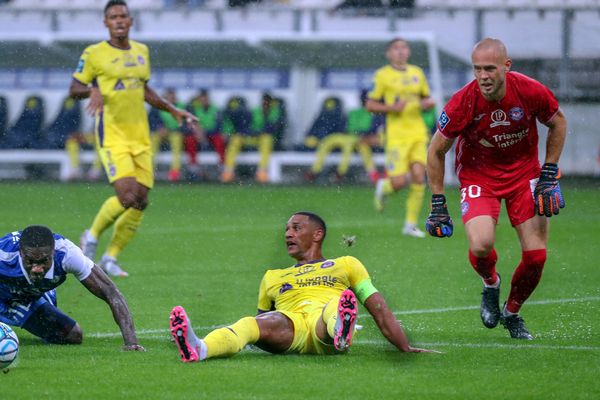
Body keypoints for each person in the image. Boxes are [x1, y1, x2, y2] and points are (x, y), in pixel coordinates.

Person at [425, 38, 567, 340]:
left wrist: (550, 171)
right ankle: (491, 283)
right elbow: (436, 151)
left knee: (537, 256)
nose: (483, 76)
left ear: (507, 66)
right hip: (479, 178)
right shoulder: (463, 101)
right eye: (477, 69)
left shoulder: (529, 90)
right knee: (481, 245)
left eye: (489, 68)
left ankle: (512, 313)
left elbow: (559, 123)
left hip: (524, 176)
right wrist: (438, 202)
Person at [169, 211, 436, 362]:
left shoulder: (346, 263)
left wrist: (404, 345)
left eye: (296, 228)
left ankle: (341, 330)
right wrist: (248, 334)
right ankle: (199, 348)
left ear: (317, 234)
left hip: (323, 324)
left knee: (337, 303)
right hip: (291, 327)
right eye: (286, 229)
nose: (288, 234)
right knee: (249, 323)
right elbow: (263, 323)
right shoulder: (272, 276)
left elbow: (378, 307)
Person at [69, 0, 196, 277]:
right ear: (106, 22)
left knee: (140, 201)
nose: (118, 20)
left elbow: (145, 90)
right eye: (113, 16)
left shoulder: (141, 51)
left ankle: (111, 257)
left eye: (123, 16)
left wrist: (172, 110)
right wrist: (91, 89)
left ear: (131, 20)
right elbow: (74, 88)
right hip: (112, 135)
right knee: (127, 195)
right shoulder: (94, 53)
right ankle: (90, 236)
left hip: (140, 136)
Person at [0, 225, 144, 351]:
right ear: (20, 253)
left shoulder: (67, 254)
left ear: (53, 253)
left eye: (44, 261)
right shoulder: (4, 255)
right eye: (30, 261)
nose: (37, 269)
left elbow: (110, 292)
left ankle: (37, 301)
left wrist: (131, 343)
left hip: (28, 297)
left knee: (73, 335)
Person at [366, 38, 436, 238]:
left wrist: (428, 103)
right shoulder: (382, 75)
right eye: (396, 48)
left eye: (404, 47)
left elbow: (426, 98)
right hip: (396, 136)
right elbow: (370, 105)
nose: (401, 51)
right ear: (389, 53)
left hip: (418, 133)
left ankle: (410, 225)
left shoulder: (417, 73)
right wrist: (391, 108)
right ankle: (385, 187)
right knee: (398, 182)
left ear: (409, 52)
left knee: (418, 175)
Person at [187, 88, 226, 176]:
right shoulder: (194, 109)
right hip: (199, 135)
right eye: (202, 98)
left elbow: (218, 126)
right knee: (190, 140)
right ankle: (193, 166)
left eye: (205, 98)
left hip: (211, 134)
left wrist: (205, 132)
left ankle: (222, 165)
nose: (204, 100)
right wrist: (197, 131)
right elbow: (191, 124)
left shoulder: (215, 109)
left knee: (219, 140)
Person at [151, 88, 185, 182]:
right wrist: (159, 127)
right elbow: (151, 120)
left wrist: (171, 129)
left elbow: (183, 124)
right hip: (160, 132)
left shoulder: (180, 107)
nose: (171, 98)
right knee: (152, 141)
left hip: (174, 133)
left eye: (172, 96)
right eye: (169, 96)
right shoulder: (157, 106)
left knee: (177, 141)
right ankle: (150, 171)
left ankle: (174, 172)